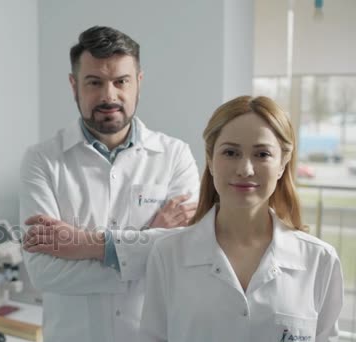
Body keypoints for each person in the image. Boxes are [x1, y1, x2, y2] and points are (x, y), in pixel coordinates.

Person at [19, 26, 200, 342]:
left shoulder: (174, 156)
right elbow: (43, 272)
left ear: (138, 83)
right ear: (74, 85)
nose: (109, 95)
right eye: (94, 82)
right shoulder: (41, 160)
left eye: (121, 82)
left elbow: (185, 259)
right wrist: (147, 242)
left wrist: (85, 246)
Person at [139, 96, 344, 342]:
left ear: (282, 164)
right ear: (211, 160)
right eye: (231, 152)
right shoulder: (168, 254)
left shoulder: (319, 261)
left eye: (262, 154)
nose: (245, 169)